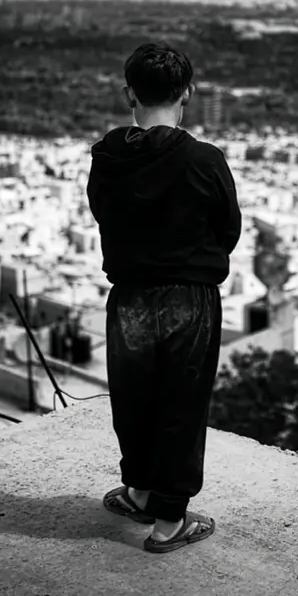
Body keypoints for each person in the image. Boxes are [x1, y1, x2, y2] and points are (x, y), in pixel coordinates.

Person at [87, 41, 241, 554]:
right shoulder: (204, 160)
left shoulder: (108, 157)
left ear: (128, 93)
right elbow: (229, 230)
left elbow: (103, 215)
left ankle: (138, 490)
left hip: (130, 297)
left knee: (133, 398)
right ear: (187, 94)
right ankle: (169, 520)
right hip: (187, 300)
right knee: (181, 403)